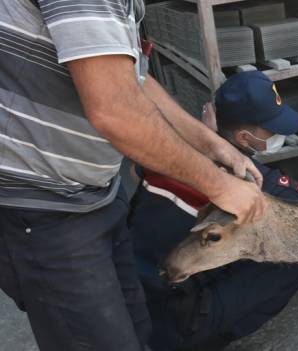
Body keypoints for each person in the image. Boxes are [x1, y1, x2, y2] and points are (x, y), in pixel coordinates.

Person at [0, 1, 266, 350]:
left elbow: (132, 79)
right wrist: (218, 185)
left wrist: (214, 145)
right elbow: (115, 110)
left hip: (94, 192)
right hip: (43, 204)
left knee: (137, 326)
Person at [128, 71, 298, 351]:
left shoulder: (171, 149)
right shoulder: (257, 181)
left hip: (129, 284)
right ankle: (202, 340)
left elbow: (135, 172)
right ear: (244, 137)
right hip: (171, 316)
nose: (278, 135)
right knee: (289, 266)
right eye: (270, 130)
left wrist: (207, 138)